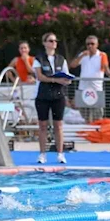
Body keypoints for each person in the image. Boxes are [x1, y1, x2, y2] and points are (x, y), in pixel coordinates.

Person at [32, 32, 72, 164]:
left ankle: (60, 154)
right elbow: (40, 76)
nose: (53, 43)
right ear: (44, 43)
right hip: (43, 95)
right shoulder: (38, 59)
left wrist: (66, 80)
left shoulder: (61, 59)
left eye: (55, 41)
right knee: (43, 125)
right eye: (50, 41)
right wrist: (56, 80)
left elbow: (66, 77)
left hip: (58, 96)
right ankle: (42, 154)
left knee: (58, 125)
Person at [70, 35, 110, 123]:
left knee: (97, 116)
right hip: (83, 89)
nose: (90, 46)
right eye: (88, 44)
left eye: (92, 44)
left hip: (96, 89)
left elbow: (105, 67)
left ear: (97, 45)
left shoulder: (102, 55)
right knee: (84, 116)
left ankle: (96, 135)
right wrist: (82, 56)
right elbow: (72, 65)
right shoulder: (83, 55)